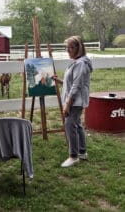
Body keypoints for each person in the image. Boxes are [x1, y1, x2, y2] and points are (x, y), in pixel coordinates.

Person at [52, 36, 93, 168]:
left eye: (71, 47)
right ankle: (82, 152)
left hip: (75, 101)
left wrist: (68, 104)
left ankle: (73, 156)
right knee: (77, 125)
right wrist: (60, 81)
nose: (68, 50)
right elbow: (73, 83)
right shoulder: (77, 62)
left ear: (78, 48)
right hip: (75, 99)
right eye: (67, 47)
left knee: (69, 125)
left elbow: (76, 86)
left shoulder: (80, 63)